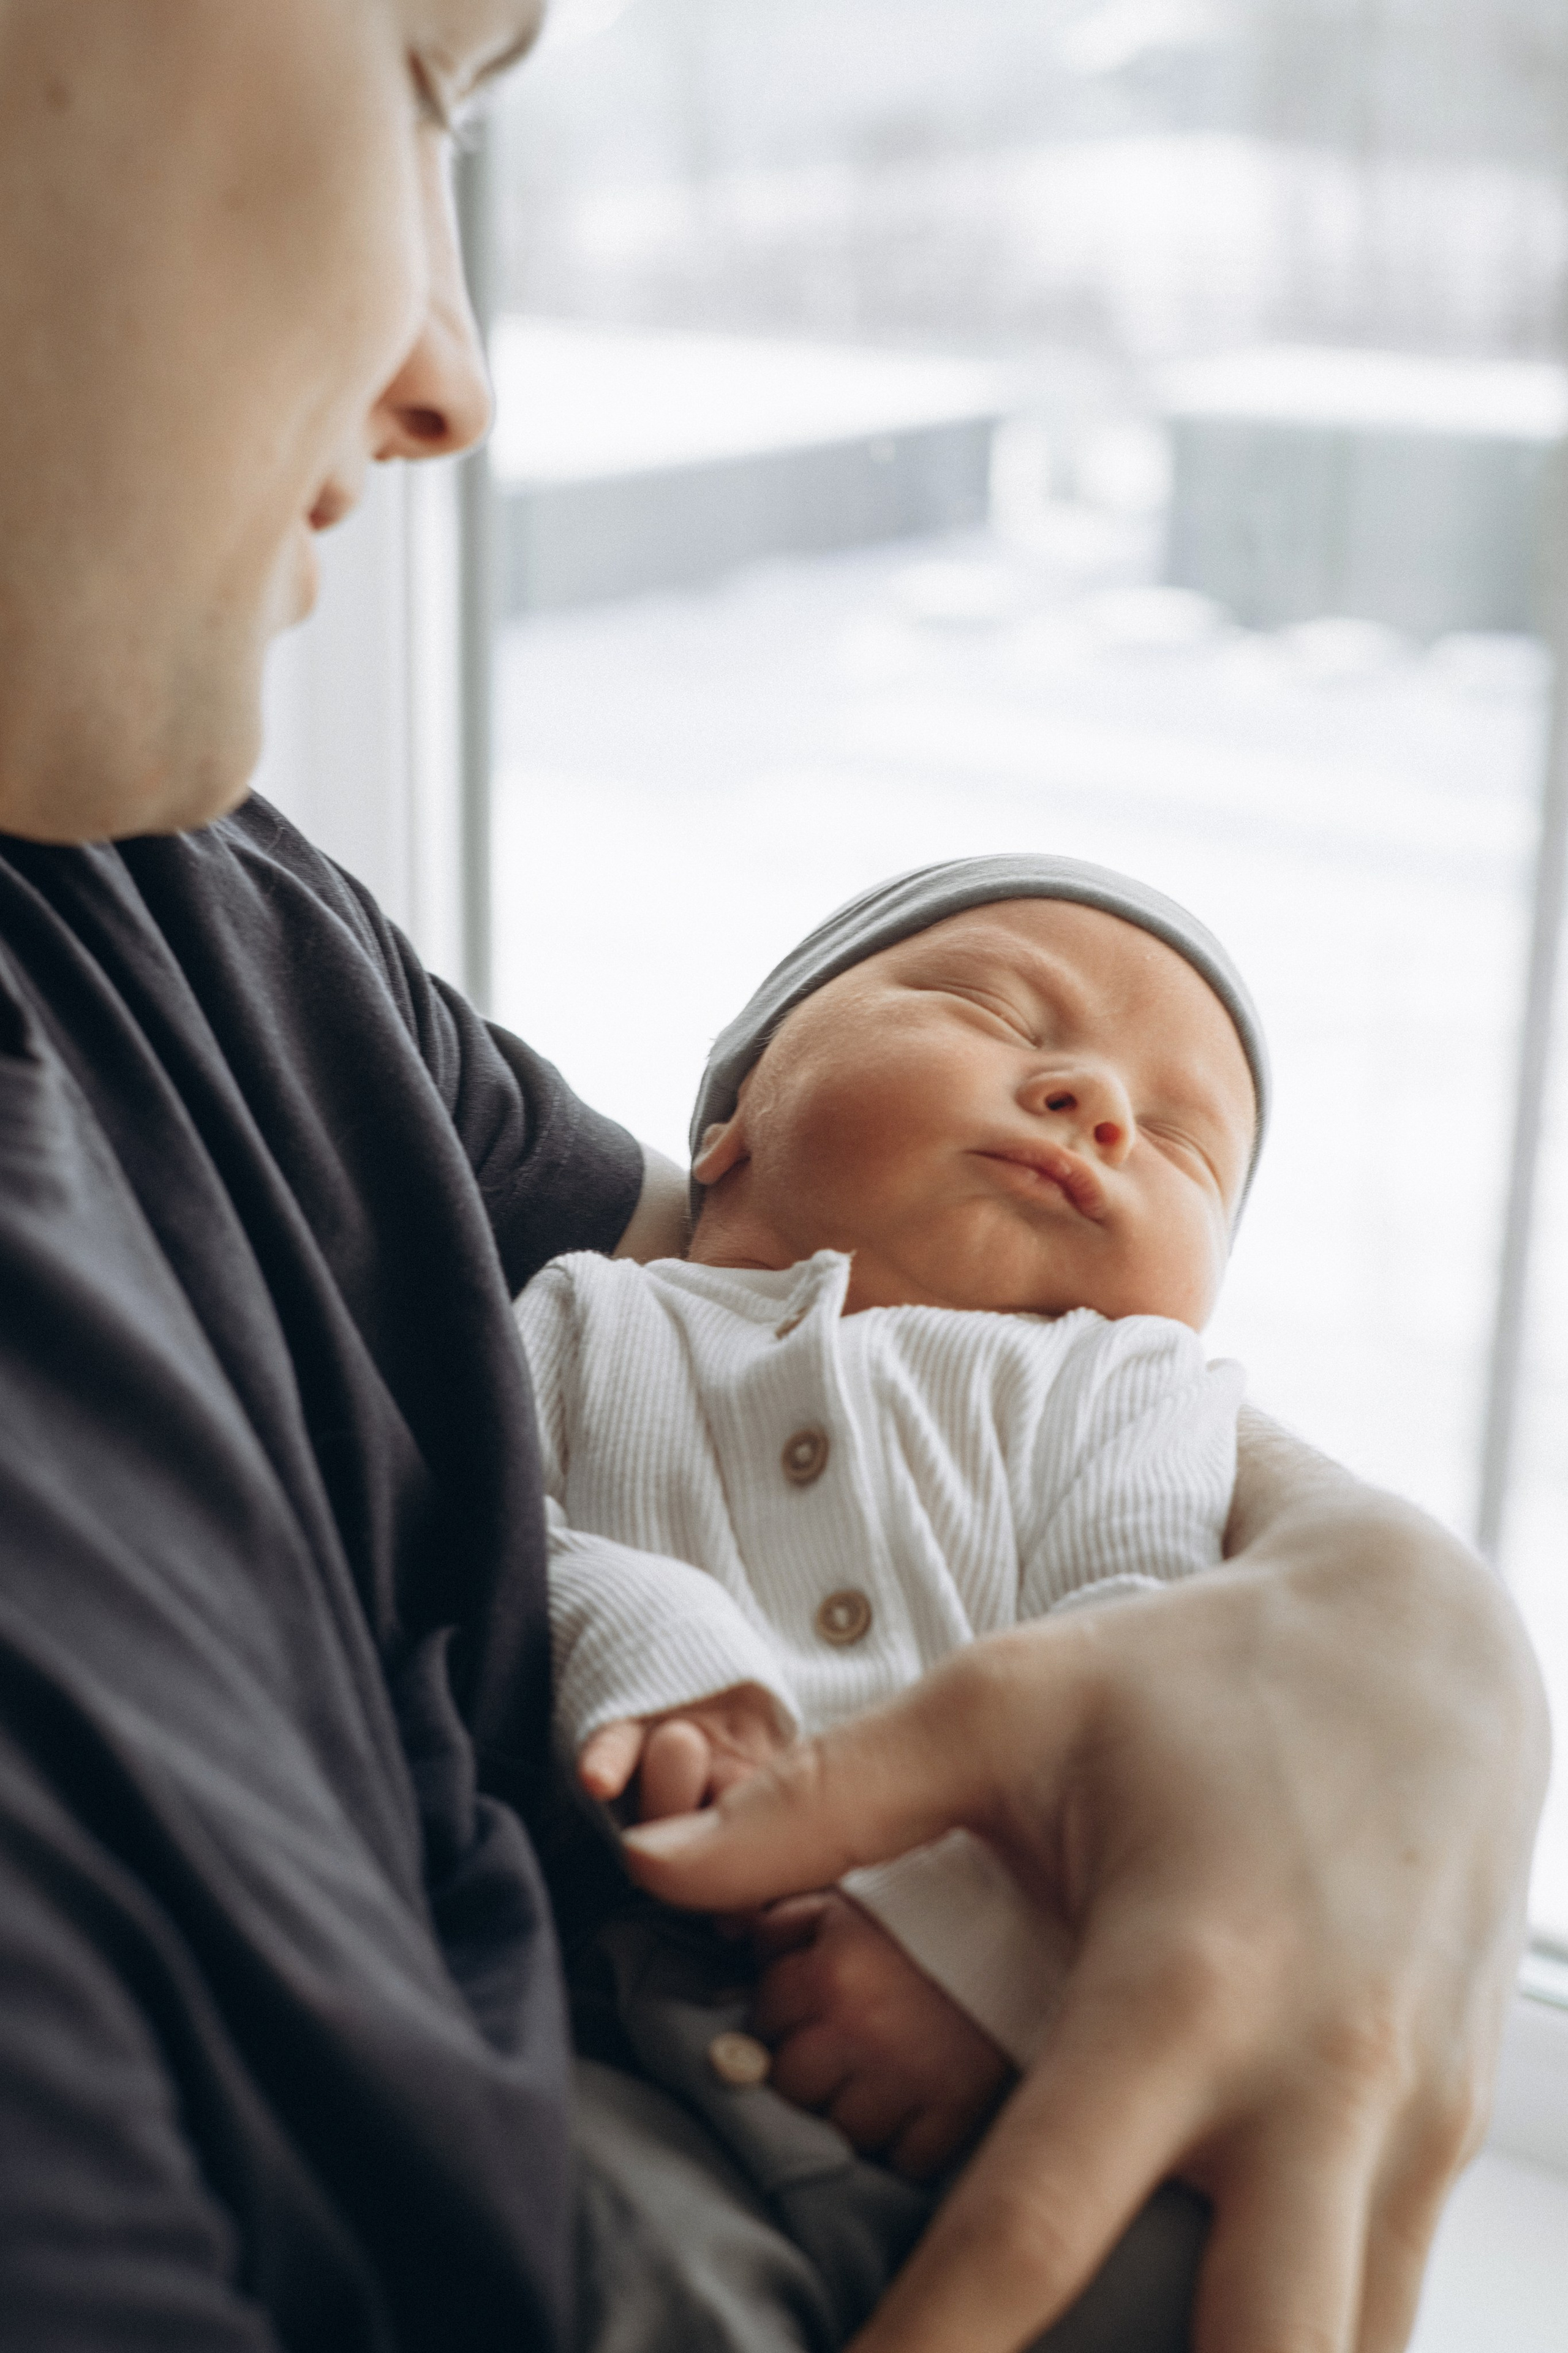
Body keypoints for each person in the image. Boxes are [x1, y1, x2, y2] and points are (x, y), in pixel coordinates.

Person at [0, 6, 1547, 2352]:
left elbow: (837, 1299)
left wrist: (1412, 1634)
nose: (451, 381)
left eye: (1176, 1134)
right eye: (428, 72)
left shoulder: (190, 910)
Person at [524, 856, 1267, 2347]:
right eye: (993, 1007)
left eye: (1179, 1143)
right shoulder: (587, 1315)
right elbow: (458, 1528)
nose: (1094, 1103)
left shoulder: (1121, 1387)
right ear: (727, 1125)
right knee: (601, 2270)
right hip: (607, 2032)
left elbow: (1133, 1671)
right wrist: (638, 1625)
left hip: (1021, 2077)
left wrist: (973, 1942)